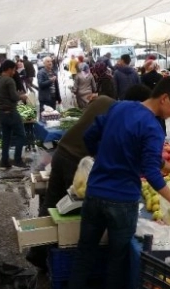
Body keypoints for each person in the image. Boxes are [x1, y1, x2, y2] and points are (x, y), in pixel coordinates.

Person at [59, 77, 170, 289]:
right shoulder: (154, 128)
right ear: (164, 97)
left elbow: (90, 136)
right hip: (122, 201)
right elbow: (152, 175)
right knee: (116, 264)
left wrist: (106, 157)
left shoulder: (120, 108)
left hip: (95, 194)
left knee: (83, 257)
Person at [26, 84, 153, 270]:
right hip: (77, 163)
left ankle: (37, 253)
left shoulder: (102, 100)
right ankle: (64, 256)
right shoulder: (122, 116)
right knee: (76, 212)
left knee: (52, 202)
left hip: (61, 152)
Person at [0, 60, 29, 169]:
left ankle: (4, 161)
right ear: (9, 69)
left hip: (1, 113)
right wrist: (22, 96)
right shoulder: (9, 80)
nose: (14, 72)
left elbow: (2, 95)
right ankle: (17, 160)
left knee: (6, 138)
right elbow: (14, 97)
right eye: (13, 70)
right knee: (21, 135)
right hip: (11, 112)